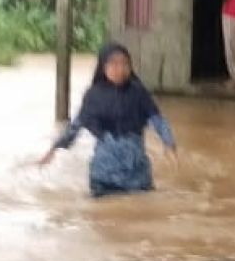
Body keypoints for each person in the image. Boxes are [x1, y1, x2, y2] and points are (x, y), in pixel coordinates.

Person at [39, 43, 179, 197]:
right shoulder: (93, 95)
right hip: (104, 173)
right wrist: (55, 147)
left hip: (137, 174)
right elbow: (76, 125)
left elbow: (157, 119)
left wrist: (169, 143)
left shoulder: (139, 92)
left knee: (141, 213)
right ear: (103, 67)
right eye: (113, 63)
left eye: (125, 63)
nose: (120, 69)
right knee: (102, 217)